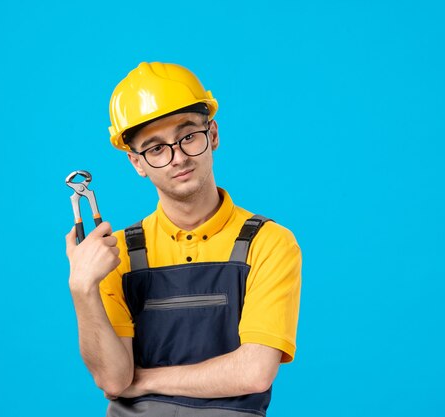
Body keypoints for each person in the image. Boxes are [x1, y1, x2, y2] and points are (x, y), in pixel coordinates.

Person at [65, 62, 302, 417]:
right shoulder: (116, 255)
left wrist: (143, 381)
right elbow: (114, 379)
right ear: (137, 163)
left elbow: (254, 373)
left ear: (214, 135)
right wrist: (82, 286)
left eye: (188, 136)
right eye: (156, 149)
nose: (177, 158)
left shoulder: (268, 243)